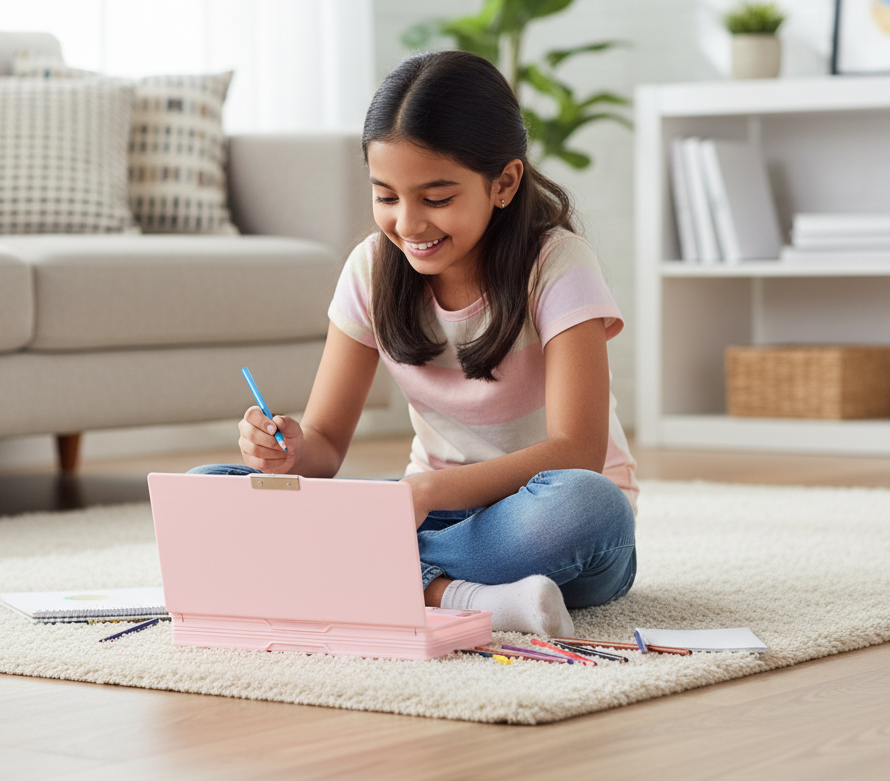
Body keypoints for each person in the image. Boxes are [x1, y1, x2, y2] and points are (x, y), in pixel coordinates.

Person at [191, 50, 637, 637]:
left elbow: (577, 450)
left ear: (503, 183)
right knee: (207, 490)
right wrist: (287, 451)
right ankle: (456, 594)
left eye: (437, 198)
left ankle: (360, 577)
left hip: (540, 517)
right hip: (431, 510)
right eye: (386, 196)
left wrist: (424, 491)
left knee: (588, 506)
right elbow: (323, 446)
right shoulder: (371, 270)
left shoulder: (556, 263)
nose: (408, 224)